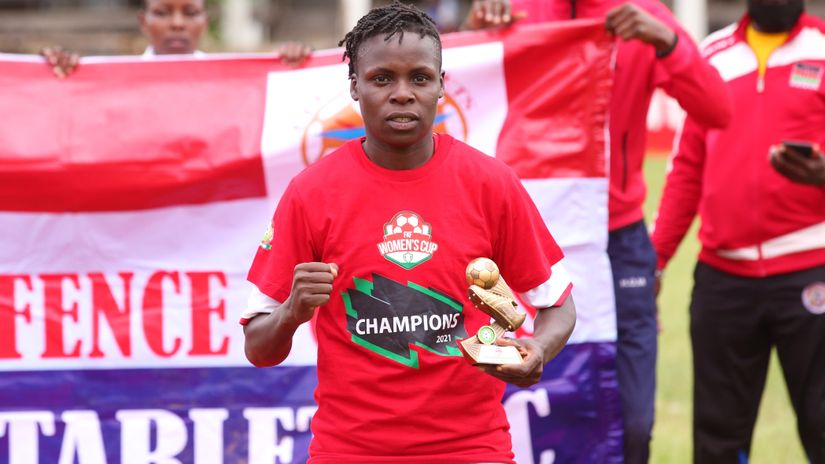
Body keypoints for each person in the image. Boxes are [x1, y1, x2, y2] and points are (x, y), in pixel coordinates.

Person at [240, 2, 577, 462]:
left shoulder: (490, 183)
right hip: (351, 451)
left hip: (471, 449)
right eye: (382, 79)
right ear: (355, 86)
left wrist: (537, 347)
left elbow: (556, 304)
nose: (402, 93)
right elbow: (259, 348)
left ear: (441, 86)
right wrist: (293, 312)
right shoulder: (312, 193)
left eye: (419, 77)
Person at [463, 1, 734, 462]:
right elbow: (452, 99)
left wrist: (667, 43)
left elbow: (718, 109)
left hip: (618, 242)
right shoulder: (513, 9)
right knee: (523, 403)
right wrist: (476, 34)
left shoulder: (643, 15)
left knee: (633, 425)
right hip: (527, 239)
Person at [651, 0, 825, 461]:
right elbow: (686, 168)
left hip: (812, 271)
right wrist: (656, 261)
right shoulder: (712, 54)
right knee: (717, 442)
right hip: (723, 281)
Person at [41, 0, 312, 78]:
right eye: (162, 13)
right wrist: (63, 75)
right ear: (143, 21)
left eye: (190, 13)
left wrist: (293, 70)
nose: (177, 23)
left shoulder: (229, 80)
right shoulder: (114, 81)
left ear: (205, 22)